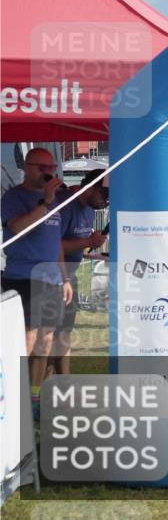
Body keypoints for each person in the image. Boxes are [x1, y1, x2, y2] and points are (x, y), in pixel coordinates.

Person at [0, 147, 70, 414]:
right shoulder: (14, 197)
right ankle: (14, 398)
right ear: (27, 168)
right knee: (28, 338)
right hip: (24, 276)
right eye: (42, 168)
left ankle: (34, 396)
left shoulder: (57, 201)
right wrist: (44, 201)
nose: (48, 172)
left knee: (46, 338)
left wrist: (64, 278)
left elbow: (57, 243)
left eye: (51, 168)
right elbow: (17, 228)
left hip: (51, 278)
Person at [54, 169, 109, 373]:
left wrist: (91, 248)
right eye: (104, 196)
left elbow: (76, 245)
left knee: (65, 333)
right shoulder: (65, 204)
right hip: (53, 277)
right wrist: (87, 241)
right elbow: (52, 244)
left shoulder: (89, 209)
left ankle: (63, 382)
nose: (106, 203)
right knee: (47, 336)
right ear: (92, 187)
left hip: (70, 275)